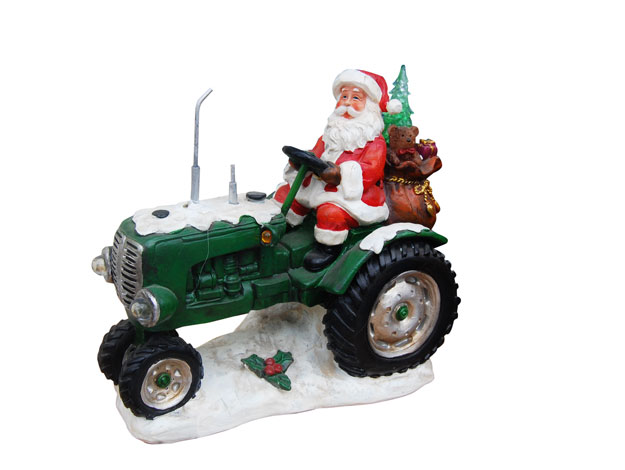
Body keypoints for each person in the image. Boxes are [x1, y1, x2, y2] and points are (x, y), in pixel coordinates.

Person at [274, 69, 402, 271]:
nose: (347, 103)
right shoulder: (330, 135)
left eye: (356, 98)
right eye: (344, 97)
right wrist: (299, 162)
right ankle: (286, 227)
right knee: (285, 193)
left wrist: (341, 174)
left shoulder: (374, 143)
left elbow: (371, 171)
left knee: (330, 212)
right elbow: (315, 154)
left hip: (355, 196)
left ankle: (328, 246)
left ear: (370, 107)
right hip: (320, 185)